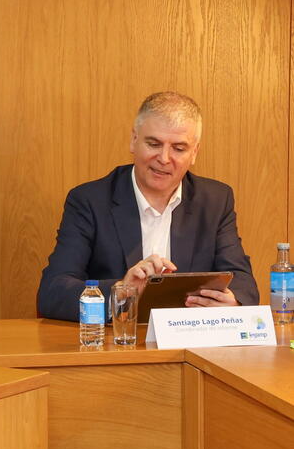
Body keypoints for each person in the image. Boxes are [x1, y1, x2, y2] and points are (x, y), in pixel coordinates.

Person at [38, 92, 258, 321]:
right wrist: (122, 291)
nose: (164, 158)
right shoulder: (89, 200)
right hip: (117, 345)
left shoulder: (215, 200)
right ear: (134, 141)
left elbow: (243, 282)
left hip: (188, 344)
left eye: (179, 149)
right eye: (153, 144)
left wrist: (232, 303)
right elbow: (53, 292)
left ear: (194, 153)